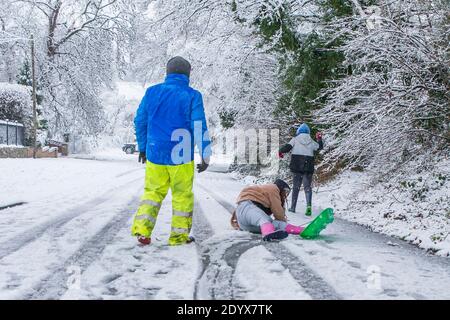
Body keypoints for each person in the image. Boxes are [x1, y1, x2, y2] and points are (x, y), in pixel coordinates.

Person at [131, 56, 211, 246]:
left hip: (155, 152)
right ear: (187, 74)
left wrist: (142, 148)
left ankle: (142, 230)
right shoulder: (192, 95)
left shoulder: (151, 93)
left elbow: (140, 121)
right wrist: (205, 155)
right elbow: (199, 126)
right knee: (182, 195)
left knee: (152, 192)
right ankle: (178, 236)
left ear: (167, 72)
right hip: (181, 153)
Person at [230, 179, 306, 241]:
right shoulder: (273, 188)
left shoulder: (270, 193)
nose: (285, 194)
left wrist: (281, 224)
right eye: (285, 191)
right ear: (280, 187)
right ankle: (268, 232)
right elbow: (278, 211)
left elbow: (279, 213)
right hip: (247, 206)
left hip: (246, 225)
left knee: (272, 223)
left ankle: (302, 230)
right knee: (263, 219)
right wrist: (281, 221)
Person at [279, 123, 323, 216]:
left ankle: (293, 207)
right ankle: (309, 207)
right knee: (307, 187)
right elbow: (319, 147)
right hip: (308, 167)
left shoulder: (295, 139)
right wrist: (319, 139)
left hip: (297, 166)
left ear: (298, 131)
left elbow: (287, 148)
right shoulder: (311, 141)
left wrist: (280, 151)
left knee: (296, 187)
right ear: (308, 132)